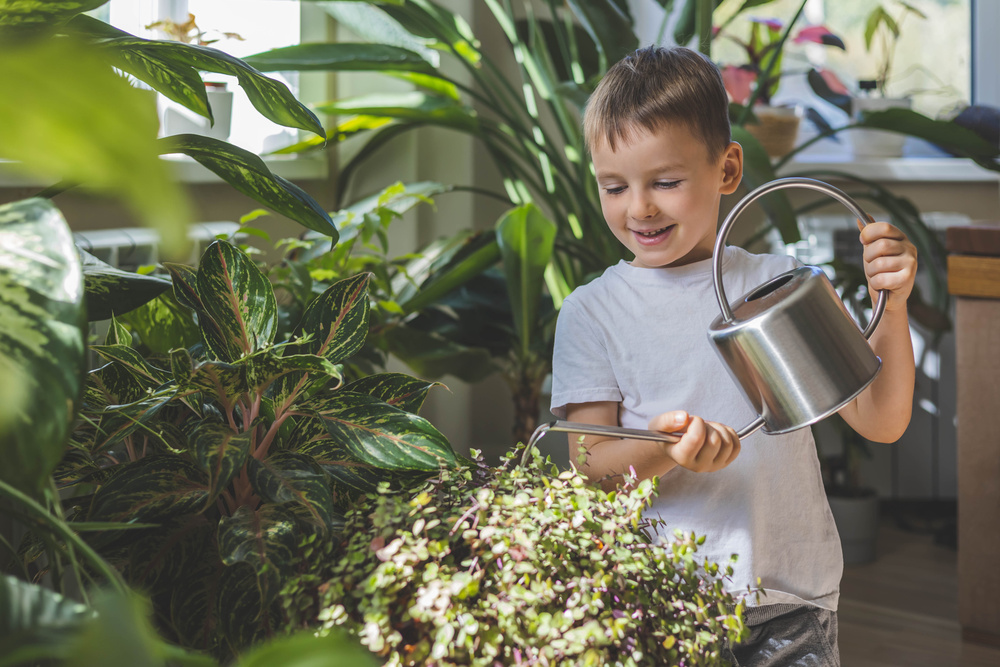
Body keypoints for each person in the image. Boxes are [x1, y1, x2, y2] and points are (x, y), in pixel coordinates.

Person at [549, 45, 917, 667]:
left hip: (792, 597)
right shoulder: (593, 312)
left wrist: (895, 303)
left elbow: (881, 420)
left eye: (665, 182)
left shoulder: (782, 286)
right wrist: (666, 451)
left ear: (726, 169)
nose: (638, 206)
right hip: (661, 596)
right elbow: (593, 472)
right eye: (615, 186)